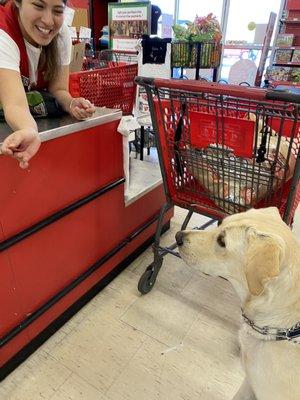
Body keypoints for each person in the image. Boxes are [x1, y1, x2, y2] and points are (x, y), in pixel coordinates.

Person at [0, 0, 96, 168]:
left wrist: (71, 103)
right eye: (38, 6)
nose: (48, 21)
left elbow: (58, 88)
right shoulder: (3, 32)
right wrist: (29, 129)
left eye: (58, 11)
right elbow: (14, 104)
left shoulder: (60, 35)